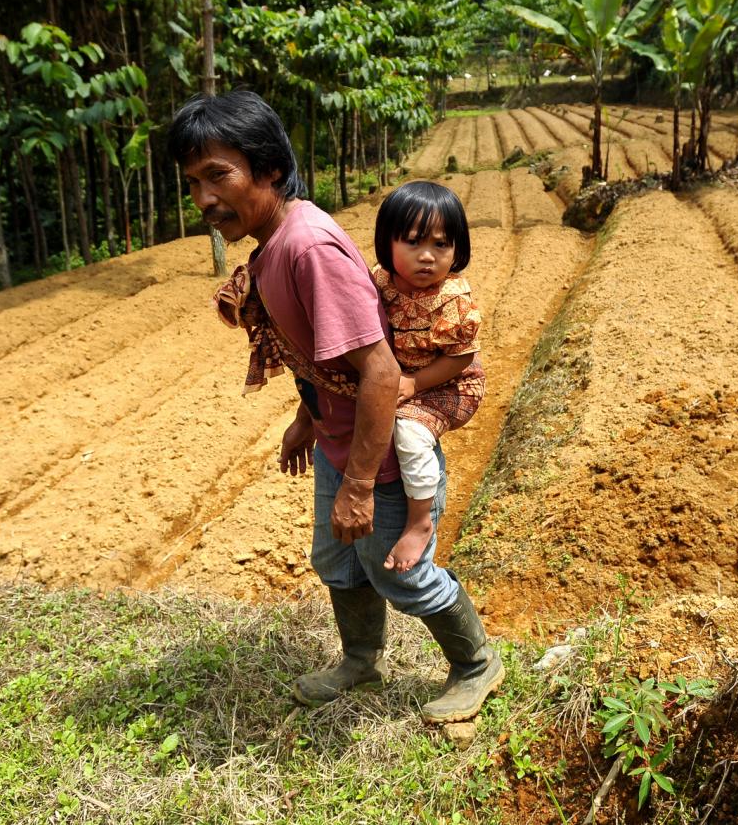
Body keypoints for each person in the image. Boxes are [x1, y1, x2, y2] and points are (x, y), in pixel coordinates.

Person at [178, 90, 503, 723]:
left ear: (269, 167)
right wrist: (306, 418)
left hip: (374, 455)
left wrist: (357, 483)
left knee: (400, 574)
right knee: (338, 561)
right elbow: (326, 356)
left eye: (218, 175)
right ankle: (361, 661)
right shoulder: (275, 244)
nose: (204, 199)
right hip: (338, 440)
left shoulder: (308, 250)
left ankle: (476, 665)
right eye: (193, 182)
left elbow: (379, 371)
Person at [371, 182, 485, 574]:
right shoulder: (381, 281)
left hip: (451, 383)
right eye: (414, 242)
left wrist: (415, 385)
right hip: (405, 376)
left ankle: (420, 521)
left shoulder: (451, 298)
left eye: (441, 245)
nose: (427, 257)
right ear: (387, 243)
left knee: (409, 434)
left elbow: (462, 357)